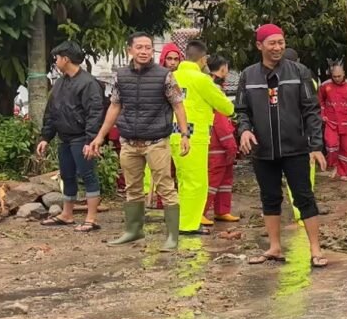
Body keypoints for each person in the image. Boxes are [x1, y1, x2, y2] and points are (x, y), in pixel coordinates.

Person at [86, 32, 190, 252]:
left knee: (166, 187)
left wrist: (184, 134)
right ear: (130, 50)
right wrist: (100, 136)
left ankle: (172, 237)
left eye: (148, 48)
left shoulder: (165, 76)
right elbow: (115, 106)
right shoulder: (121, 76)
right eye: (140, 47)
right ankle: (133, 230)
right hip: (129, 141)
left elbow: (178, 105)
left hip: (157, 141)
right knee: (133, 188)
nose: (144, 51)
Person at [235, 23, 328, 267]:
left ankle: (316, 250)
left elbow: (312, 111)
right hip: (263, 150)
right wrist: (244, 130)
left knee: (304, 198)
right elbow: (241, 111)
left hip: (295, 148)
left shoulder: (299, 72)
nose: (277, 47)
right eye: (272, 43)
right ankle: (274, 247)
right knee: (270, 197)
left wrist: (316, 145)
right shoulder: (248, 76)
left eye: (280, 42)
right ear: (259, 45)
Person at [37, 41, 104, 232]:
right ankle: (67, 215)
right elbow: (51, 112)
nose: (55, 61)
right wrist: (45, 137)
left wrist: (91, 140)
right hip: (64, 137)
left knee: (88, 175)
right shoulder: (60, 82)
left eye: (56, 58)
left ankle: (91, 219)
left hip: (81, 137)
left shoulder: (88, 83)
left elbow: (95, 113)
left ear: (65, 59)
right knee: (67, 175)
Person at [171, 40, 235, 235]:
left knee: (182, 180)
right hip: (194, 135)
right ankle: (188, 225)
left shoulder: (171, 76)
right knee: (197, 182)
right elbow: (227, 107)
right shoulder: (202, 80)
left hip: (172, 133)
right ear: (204, 59)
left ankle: (183, 220)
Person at [144, 42, 183, 209]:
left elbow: (180, 106)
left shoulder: (182, 79)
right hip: (158, 130)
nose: (173, 62)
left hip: (177, 130)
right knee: (158, 170)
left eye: (176, 59)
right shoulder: (156, 77)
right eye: (169, 58)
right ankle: (154, 200)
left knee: (175, 173)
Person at [281, 47, 318, 224]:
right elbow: (313, 110)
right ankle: (303, 214)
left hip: (283, 137)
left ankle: (298, 212)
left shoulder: (273, 79)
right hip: (303, 137)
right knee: (304, 178)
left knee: (290, 181)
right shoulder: (307, 79)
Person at [203, 55, 240, 225]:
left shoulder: (211, 84)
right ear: (223, 68)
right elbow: (220, 118)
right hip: (217, 144)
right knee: (213, 180)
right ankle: (201, 211)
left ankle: (222, 210)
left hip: (219, 143)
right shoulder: (213, 88)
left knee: (225, 180)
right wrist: (230, 143)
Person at [319, 59, 347, 181]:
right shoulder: (325, 86)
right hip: (331, 122)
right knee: (331, 145)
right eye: (334, 76)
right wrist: (322, 114)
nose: (337, 78)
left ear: (344, 73)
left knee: (346, 148)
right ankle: (334, 166)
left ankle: (344, 173)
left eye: (339, 76)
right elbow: (320, 101)